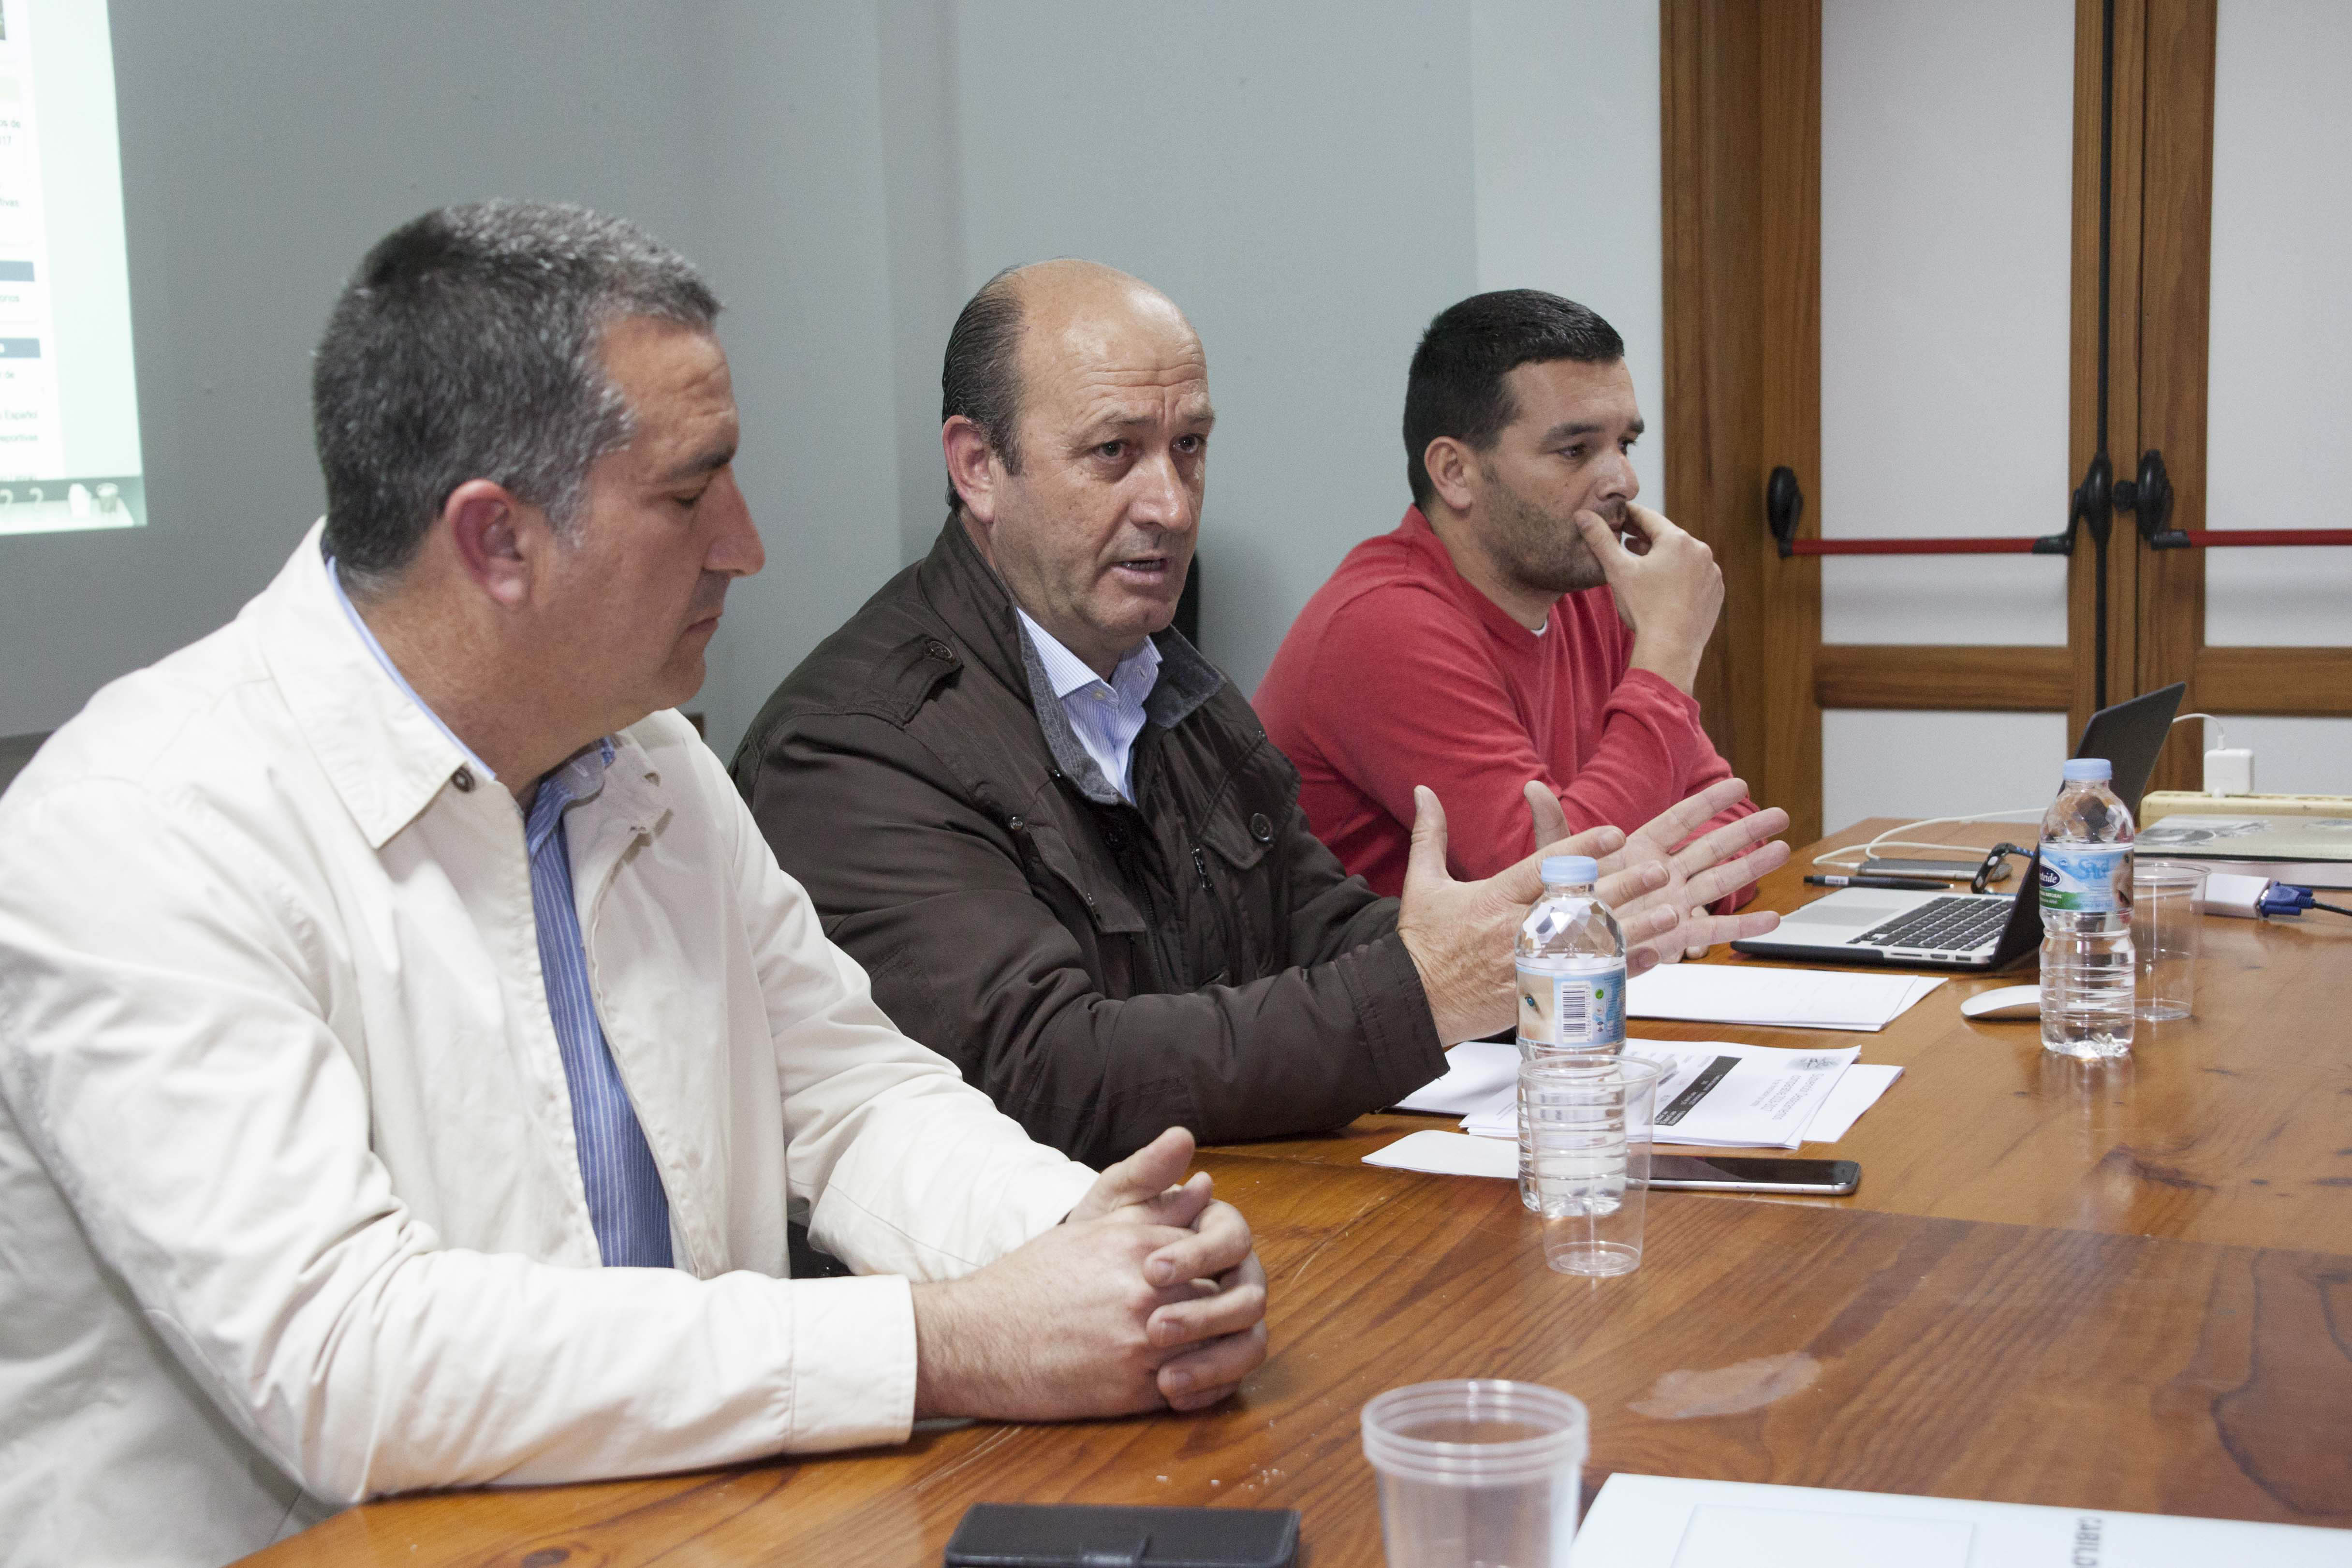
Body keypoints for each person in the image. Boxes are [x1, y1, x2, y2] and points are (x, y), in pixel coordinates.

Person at [0, 205, 1267, 1568]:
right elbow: (345, 1357)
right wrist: (943, 1339)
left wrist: (1101, 1248)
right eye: (688, 492)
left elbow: (849, 1098)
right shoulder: (135, 829)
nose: (745, 542)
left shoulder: (644, 754)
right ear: (497, 540)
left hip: (678, 1523)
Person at [731, 261, 1788, 1168]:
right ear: (978, 468)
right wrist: (1430, 986)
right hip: (1019, 1288)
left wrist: (1520, 949)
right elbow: (1048, 1070)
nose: (1171, 503)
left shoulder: (1170, 685)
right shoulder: (858, 746)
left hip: (1223, 1211)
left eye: (1189, 446)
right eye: (1114, 452)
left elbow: (1317, 931)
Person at [1255, 290, 1758, 913]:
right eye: (1575, 450)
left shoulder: (1591, 595)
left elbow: (1735, 822)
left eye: (1625, 445)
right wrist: (1669, 654)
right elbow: (1554, 897)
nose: (1623, 482)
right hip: (1380, 980)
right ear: (1454, 473)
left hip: (1547, 976)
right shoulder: (1384, 626)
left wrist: (1653, 892)